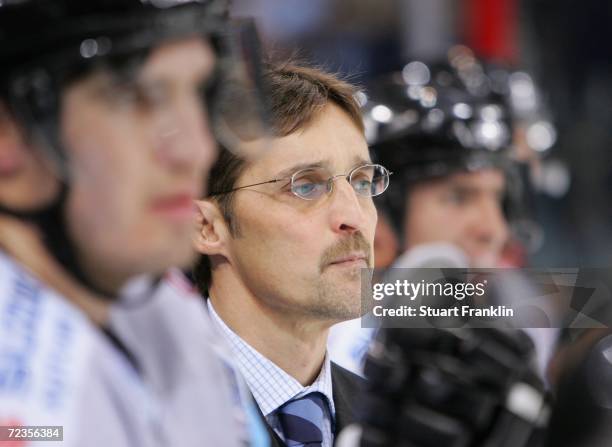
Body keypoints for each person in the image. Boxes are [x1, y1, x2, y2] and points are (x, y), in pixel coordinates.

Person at [0, 0, 269, 445]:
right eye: (135, 98)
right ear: (9, 132)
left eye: (200, 93)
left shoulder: (161, 310)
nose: (196, 149)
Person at [192, 62, 391, 447]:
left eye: (363, 182)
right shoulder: (141, 413)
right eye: (305, 187)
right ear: (207, 227)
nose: (354, 217)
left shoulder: (391, 425)